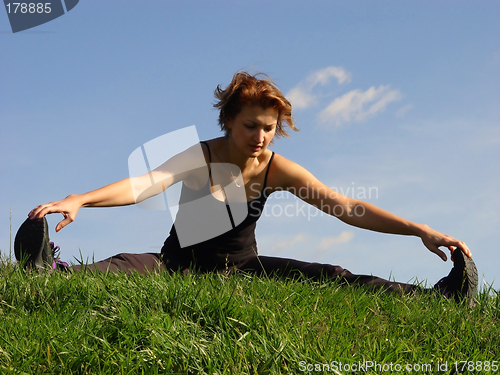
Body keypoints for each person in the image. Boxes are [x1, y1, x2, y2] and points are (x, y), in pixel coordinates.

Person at [15, 71, 478, 303]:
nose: (260, 138)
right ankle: (45, 269)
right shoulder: (202, 155)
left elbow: (346, 207)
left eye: (269, 129)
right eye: (251, 126)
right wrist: (80, 199)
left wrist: (420, 229)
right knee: (122, 265)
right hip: (177, 263)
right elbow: (144, 184)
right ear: (228, 121)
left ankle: (439, 297)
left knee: (332, 276)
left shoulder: (276, 168)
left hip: (243, 268)